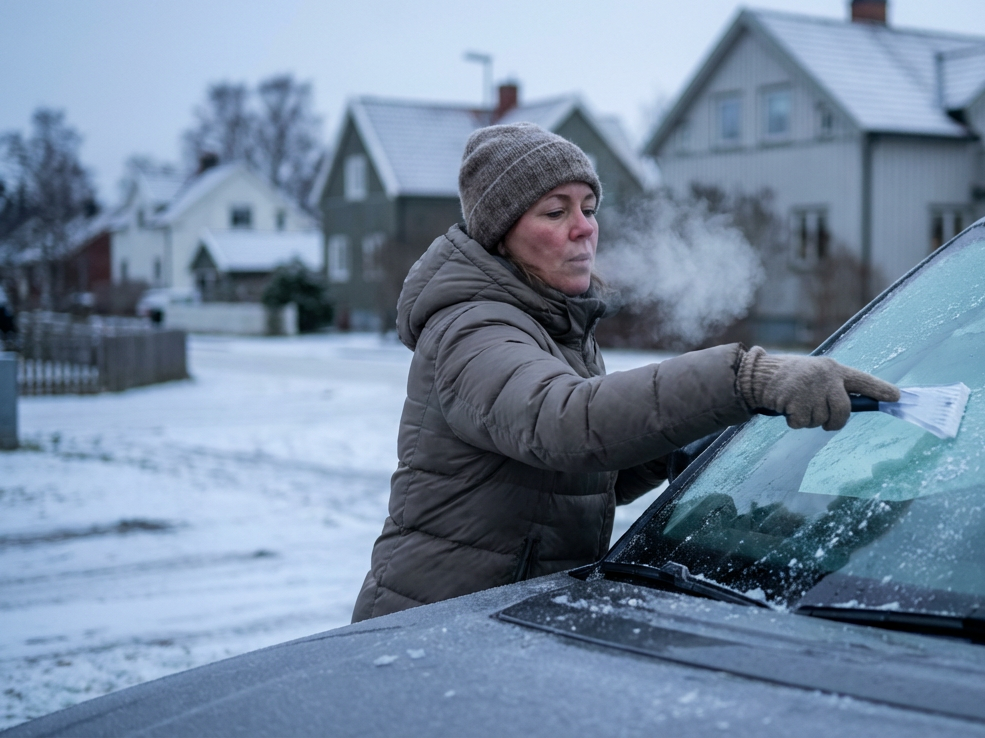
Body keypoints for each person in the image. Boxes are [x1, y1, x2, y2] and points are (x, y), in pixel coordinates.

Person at [351, 123, 898, 622]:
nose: (583, 228)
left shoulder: (554, 325)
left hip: (505, 619)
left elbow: (580, 480)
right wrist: (744, 379)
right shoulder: (474, 328)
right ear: (500, 233)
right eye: (554, 211)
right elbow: (563, 425)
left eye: (589, 208)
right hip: (427, 628)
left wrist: (688, 438)